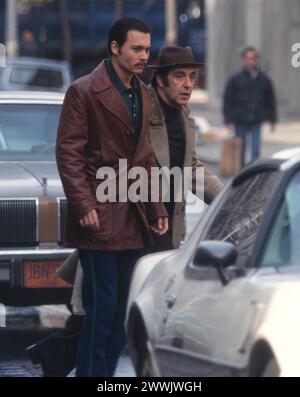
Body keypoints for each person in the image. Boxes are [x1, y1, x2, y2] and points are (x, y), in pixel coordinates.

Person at [26, 45, 223, 376]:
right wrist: (92, 206)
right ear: (159, 81)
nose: (188, 85)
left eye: (192, 77)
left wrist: (229, 198)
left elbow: (191, 169)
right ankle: (76, 362)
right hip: (129, 226)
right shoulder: (140, 110)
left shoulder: (184, 118)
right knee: (113, 313)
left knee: (123, 314)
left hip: (163, 229)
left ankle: (66, 357)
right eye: (179, 77)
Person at [39, 17, 169, 378]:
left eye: (147, 48)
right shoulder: (84, 90)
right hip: (99, 216)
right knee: (101, 309)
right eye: (137, 49)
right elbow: (69, 153)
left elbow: (146, 157)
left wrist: (156, 205)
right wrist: (83, 205)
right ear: (115, 48)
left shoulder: (143, 93)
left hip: (136, 216)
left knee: (123, 310)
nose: (145, 55)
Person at [223, 46, 277, 167]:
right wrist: (228, 120)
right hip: (240, 119)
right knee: (240, 150)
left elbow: (270, 100)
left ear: (256, 60)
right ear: (243, 59)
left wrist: (273, 120)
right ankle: (242, 173)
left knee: (255, 150)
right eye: (247, 58)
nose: (249, 61)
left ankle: (253, 173)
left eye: (252, 58)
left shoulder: (264, 79)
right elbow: (228, 100)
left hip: (256, 119)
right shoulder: (235, 79)